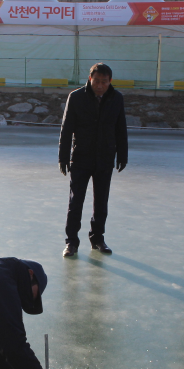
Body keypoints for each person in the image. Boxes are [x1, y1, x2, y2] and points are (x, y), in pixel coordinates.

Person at [58, 62, 128, 257]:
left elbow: (120, 129)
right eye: (96, 81)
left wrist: (122, 155)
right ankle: (71, 242)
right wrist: (63, 157)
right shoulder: (76, 97)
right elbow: (66, 129)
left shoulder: (116, 98)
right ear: (90, 79)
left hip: (105, 159)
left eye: (104, 82)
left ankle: (98, 238)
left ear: (110, 81)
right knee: (75, 202)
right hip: (81, 158)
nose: (99, 86)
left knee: (101, 202)